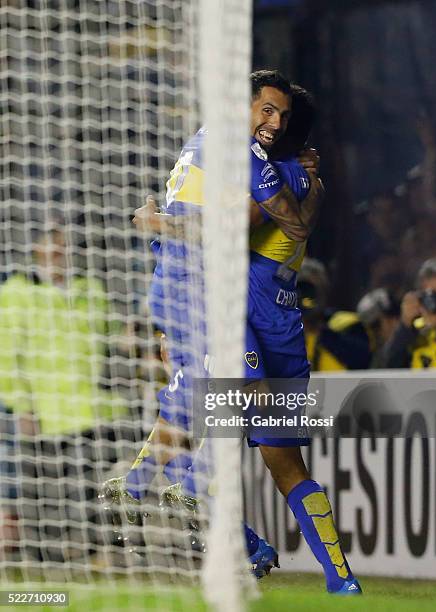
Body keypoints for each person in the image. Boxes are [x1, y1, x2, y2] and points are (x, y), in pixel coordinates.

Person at [103, 70, 361, 594]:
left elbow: (219, 227)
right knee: (281, 463)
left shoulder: (272, 179)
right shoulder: (298, 178)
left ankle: (152, 491)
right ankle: (338, 578)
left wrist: (155, 228)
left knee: (207, 429)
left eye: (280, 118)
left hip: (245, 323)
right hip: (282, 332)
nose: (270, 124)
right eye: (265, 112)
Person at [0, 222, 128, 562]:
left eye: (66, 249)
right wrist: (21, 407)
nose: (61, 257)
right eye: (54, 249)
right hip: (45, 413)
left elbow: (115, 337)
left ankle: (97, 554)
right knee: (42, 493)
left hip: (92, 412)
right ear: (37, 252)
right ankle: (44, 560)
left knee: (91, 491)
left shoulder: (91, 289)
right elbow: (6, 357)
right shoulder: (16, 292)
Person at [296, 258, 372, 371]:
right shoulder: (278, 330)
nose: (305, 298)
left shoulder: (347, 324)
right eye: (300, 290)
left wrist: (322, 332)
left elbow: (364, 360)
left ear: (324, 292)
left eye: (311, 291)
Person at [381, 257, 436, 368]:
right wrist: (405, 325)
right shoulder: (414, 330)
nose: (435, 302)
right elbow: (388, 367)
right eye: (430, 296)